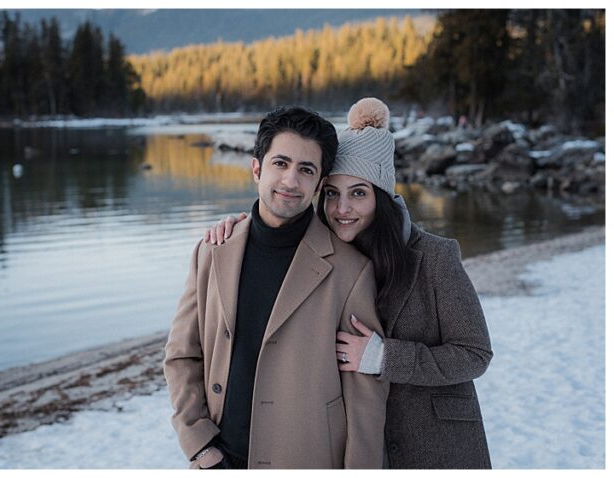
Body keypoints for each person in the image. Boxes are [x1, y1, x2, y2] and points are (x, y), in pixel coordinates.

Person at [205, 98, 493, 468]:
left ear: (381, 197)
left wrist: (385, 357)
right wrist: (240, 230)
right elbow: (277, 215)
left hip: (431, 441)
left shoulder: (434, 258)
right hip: (349, 442)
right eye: (332, 194)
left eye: (358, 193)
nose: (342, 209)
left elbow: (475, 354)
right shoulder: (319, 256)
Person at [165, 106, 389, 469]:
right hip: (218, 462)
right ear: (257, 168)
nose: (290, 181)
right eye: (280, 163)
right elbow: (181, 356)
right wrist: (198, 445)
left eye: (306, 170)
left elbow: (365, 398)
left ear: (319, 184)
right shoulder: (212, 250)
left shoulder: (350, 270)